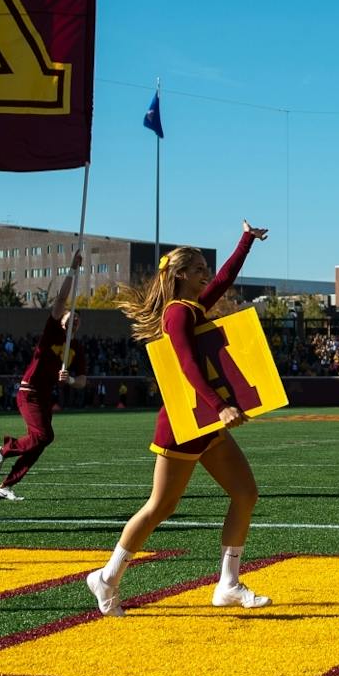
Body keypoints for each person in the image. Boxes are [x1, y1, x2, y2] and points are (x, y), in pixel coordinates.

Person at [87, 223, 270, 616]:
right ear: (181, 274)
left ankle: (228, 583)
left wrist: (246, 242)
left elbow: (224, 280)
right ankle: (107, 577)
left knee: (245, 492)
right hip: (184, 424)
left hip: (204, 422)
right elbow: (187, 365)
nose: (207, 272)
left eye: (206, 266)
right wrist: (220, 405)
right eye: (199, 267)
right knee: (161, 506)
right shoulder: (176, 312)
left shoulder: (193, 307)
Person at [0, 249, 82, 500]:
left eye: (78, 321)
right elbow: (61, 299)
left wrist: (70, 380)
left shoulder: (77, 349)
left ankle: (5, 486)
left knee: (40, 441)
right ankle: (3, 450)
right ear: (62, 320)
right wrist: (72, 270)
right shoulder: (51, 332)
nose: (74, 322)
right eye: (70, 319)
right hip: (29, 391)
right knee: (44, 436)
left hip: (44, 397)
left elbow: (83, 381)